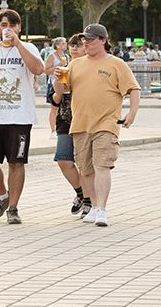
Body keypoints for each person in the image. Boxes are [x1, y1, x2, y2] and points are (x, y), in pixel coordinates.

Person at [58, 24, 140, 227]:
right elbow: (61, 91)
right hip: (80, 123)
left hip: (106, 123)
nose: (86, 42)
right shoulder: (75, 65)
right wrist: (59, 78)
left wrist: (132, 113)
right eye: (84, 39)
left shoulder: (117, 64)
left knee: (101, 165)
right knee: (85, 170)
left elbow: (134, 89)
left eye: (91, 39)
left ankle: (102, 209)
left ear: (103, 40)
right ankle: (93, 206)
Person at [0, 9, 45, 224]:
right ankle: (2, 195)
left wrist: (18, 44)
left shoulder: (28, 48)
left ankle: (13, 207)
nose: (7, 28)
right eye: (3, 24)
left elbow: (38, 69)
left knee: (16, 162)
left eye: (12, 25)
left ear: (19, 28)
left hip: (19, 116)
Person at [50, 33, 88, 216]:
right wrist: (58, 83)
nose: (74, 48)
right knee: (64, 160)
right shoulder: (64, 69)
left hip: (86, 120)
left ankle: (90, 200)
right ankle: (81, 193)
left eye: (78, 45)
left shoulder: (91, 69)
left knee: (85, 164)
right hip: (65, 119)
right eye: (72, 45)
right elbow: (56, 99)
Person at [43, 37, 69, 136]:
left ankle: (59, 128)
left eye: (65, 43)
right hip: (53, 83)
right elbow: (46, 70)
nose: (65, 45)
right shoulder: (52, 56)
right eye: (63, 43)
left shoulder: (66, 56)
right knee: (54, 107)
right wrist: (58, 66)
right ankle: (53, 130)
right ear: (57, 45)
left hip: (64, 83)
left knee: (62, 107)